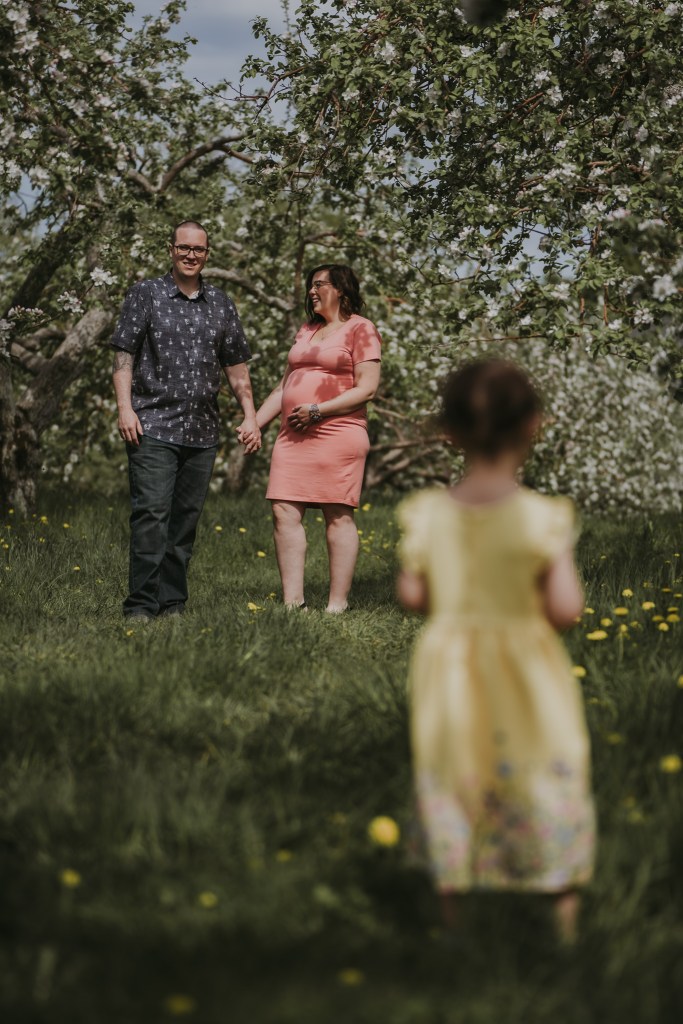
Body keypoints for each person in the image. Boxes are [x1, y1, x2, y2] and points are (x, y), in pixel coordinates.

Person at [397, 359, 595, 944]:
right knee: (543, 766)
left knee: (454, 767)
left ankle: (456, 922)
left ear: (449, 431)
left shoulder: (428, 514)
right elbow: (566, 608)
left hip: (449, 672)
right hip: (526, 672)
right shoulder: (542, 519)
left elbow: (413, 596)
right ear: (533, 425)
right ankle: (562, 919)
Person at [111, 219, 261, 621]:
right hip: (152, 425)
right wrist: (125, 408)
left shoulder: (222, 303)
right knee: (151, 517)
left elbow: (236, 366)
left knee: (183, 523)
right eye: (184, 247)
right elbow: (124, 355)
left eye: (198, 249)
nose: (190, 255)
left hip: (202, 431)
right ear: (171, 249)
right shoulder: (146, 293)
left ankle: (172, 603)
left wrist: (251, 415)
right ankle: (141, 606)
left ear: (207, 254)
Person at [255, 264, 381, 612]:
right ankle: (293, 604)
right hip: (292, 436)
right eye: (310, 285)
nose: (312, 291)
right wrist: (255, 423)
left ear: (340, 289)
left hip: (338, 432)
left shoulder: (361, 328)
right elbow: (284, 387)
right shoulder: (307, 330)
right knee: (283, 510)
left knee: (337, 513)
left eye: (320, 284)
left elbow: (367, 389)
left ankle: (337, 605)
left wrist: (317, 411)